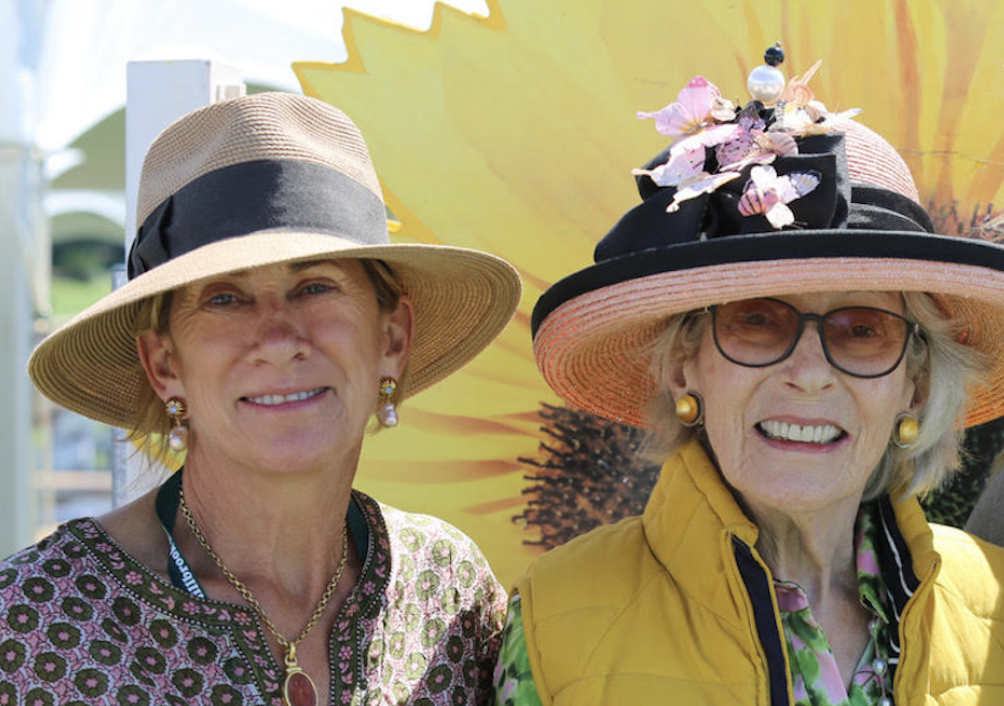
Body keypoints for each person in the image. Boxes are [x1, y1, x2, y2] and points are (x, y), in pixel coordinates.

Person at [492, 60, 1004, 705]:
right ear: (685, 363)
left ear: (917, 383)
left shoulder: (997, 606)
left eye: (862, 329)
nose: (811, 373)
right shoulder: (555, 616)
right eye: (756, 321)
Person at [2, 92, 521, 706]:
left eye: (316, 285)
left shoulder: (449, 592)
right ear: (165, 365)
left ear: (392, 338)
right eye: (224, 297)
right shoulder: (32, 621)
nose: (278, 340)